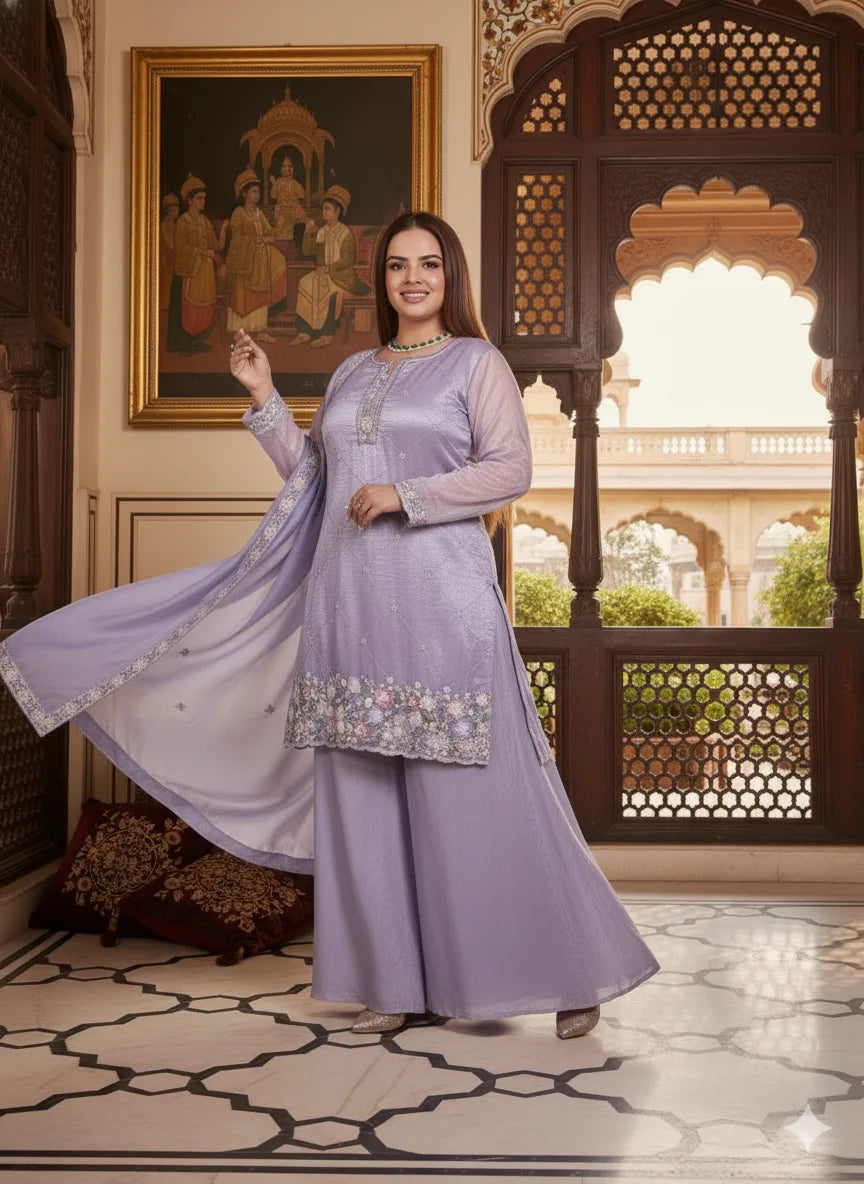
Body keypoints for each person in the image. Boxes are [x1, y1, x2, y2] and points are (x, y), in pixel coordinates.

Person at [0, 211, 658, 1038]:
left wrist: (406, 495)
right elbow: (315, 483)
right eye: (397, 265)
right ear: (380, 280)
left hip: (441, 608)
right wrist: (265, 397)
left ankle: (568, 972)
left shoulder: (475, 362)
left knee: (479, 801)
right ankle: (392, 983)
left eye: (428, 264)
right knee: (361, 802)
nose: (412, 278)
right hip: (348, 604)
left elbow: (510, 469)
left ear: (450, 276)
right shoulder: (353, 372)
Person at [290, 185, 370, 349]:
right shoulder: (322, 231)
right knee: (305, 282)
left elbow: (348, 260)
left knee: (331, 290)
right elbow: (309, 252)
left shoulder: (345, 233)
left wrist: (330, 268)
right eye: (323, 209)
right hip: (324, 272)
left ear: (337, 211)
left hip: (341, 275)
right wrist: (308, 233)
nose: (324, 212)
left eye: (327, 209)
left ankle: (327, 334)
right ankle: (305, 331)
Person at [225, 168, 288, 345]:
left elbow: (270, 232)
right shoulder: (239, 213)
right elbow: (236, 238)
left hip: (259, 262)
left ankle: (260, 330)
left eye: (258, 192)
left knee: (262, 290)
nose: (257, 195)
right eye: (254, 191)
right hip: (244, 260)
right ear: (245, 194)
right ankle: (240, 332)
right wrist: (255, 242)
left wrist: (278, 220)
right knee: (242, 296)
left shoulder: (259, 213)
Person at [166, 173, 226, 355]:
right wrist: (203, 253)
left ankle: (194, 340)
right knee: (186, 309)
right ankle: (183, 343)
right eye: (199, 198)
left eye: (204, 198)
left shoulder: (204, 221)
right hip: (188, 273)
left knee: (200, 308)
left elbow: (215, 246)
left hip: (202, 274)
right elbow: (181, 248)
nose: (203, 202)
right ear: (190, 201)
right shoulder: (183, 221)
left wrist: (223, 230)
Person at [270, 155, 307, 250]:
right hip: (281, 211)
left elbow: (301, 196)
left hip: (294, 210)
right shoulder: (278, 182)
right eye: (284, 166)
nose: (287, 169)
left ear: (294, 168)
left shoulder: (295, 183)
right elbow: (274, 195)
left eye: (289, 166)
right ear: (280, 168)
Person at [158, 193, 179, 312]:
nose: (176, 211)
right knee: (166, 291)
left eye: (177, 208)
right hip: (166, 262)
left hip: (174, 261)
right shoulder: (163, 225)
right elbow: (170, 244)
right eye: (173, 208)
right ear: (167, 211)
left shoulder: (176, 225)